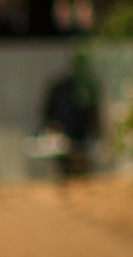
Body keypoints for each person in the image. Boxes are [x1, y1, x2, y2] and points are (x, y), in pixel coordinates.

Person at [37, 50, 101, 180]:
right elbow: (48, 110)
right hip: (64, 136)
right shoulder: (61, 87)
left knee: (81, 175)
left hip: (81, 138)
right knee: (67, 174)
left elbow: (93, 113)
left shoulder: (88, 86)